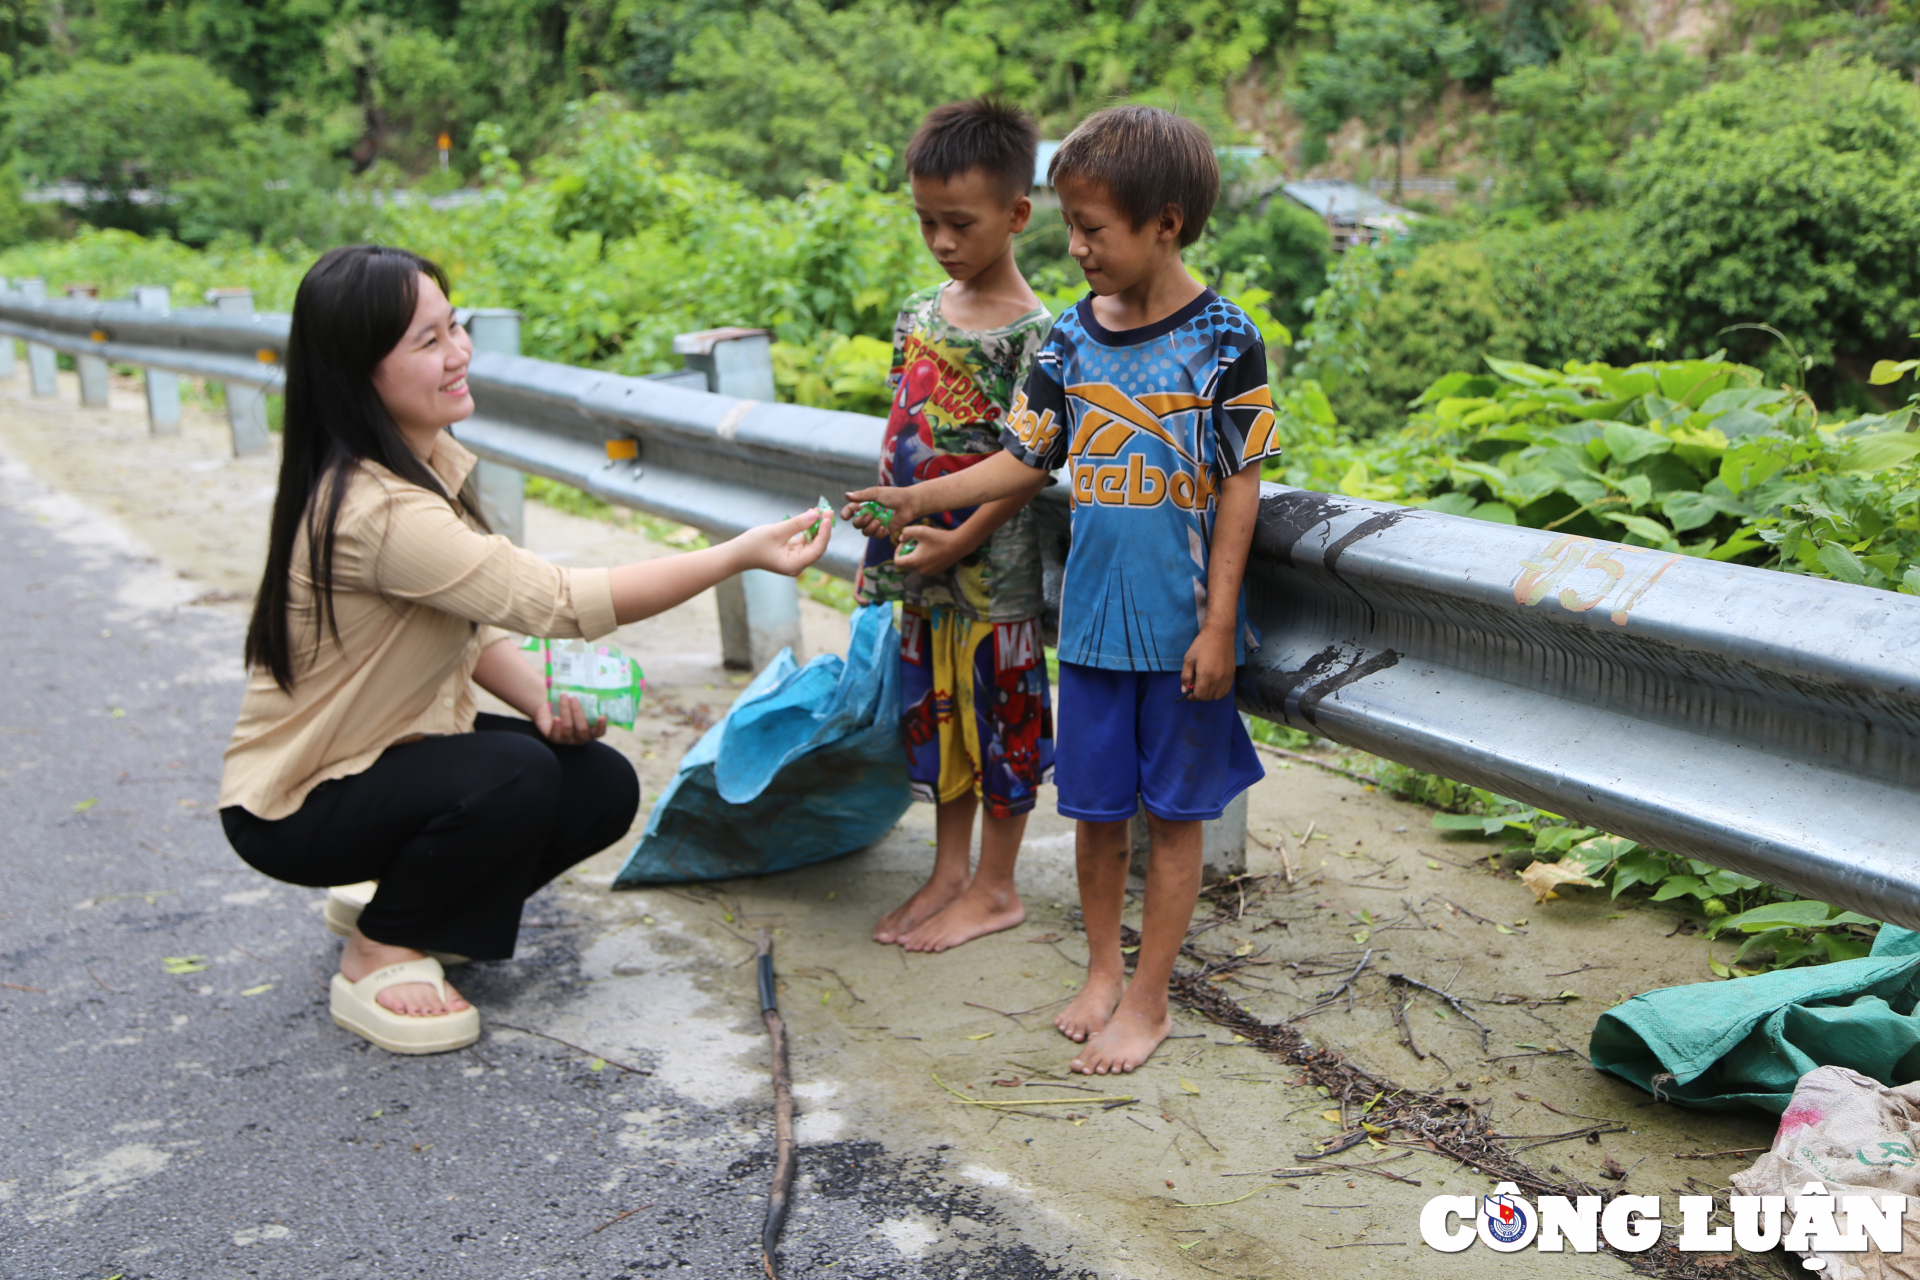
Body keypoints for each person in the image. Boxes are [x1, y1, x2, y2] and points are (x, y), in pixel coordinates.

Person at [218, 245, 833, 1056]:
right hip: (300, 803)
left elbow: (472, 631)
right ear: (359, 371)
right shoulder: (379, 511)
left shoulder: (420, 466)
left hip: (378, 761)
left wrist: (540, 703)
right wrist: (737, 553)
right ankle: (382, 943)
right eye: (428, 341)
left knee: (597, 783)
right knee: (515, 776)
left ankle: (406, 902)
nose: (459, 353)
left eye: (455, 327)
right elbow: (558, 603)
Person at [848, 106, 1276, 1073]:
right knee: (1092, 815)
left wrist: (1217, 625)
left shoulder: (1224, 338)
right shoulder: (1070, 344)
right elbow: (1019, 463)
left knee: (1171, 821)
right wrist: (924, 492)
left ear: (1166, 223)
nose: (1076, 248)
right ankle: (1098, 972)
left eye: (1096, 229)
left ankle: (1151, 997)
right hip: (1085, 628)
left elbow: (1243, 484)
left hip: (1179, 636)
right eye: (1073, 226)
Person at [859, 97, 1057, 954]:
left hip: (990, 570)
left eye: (960, 224)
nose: (941, 241)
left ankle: (996, 885)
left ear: (1016, 214)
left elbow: (1031, 462)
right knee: (937, 718)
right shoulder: (918, 312)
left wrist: (962, 535)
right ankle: (948, 872)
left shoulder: (1037, 335)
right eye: (926, 222)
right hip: (918, 561)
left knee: (996, 718)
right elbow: (902, 423)